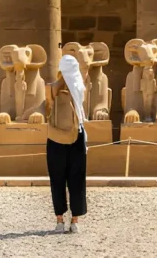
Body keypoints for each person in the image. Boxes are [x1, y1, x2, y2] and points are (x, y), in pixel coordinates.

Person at [45, 54, 88, 234]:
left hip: (55, 137)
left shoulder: (52, 88)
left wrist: (59, 81)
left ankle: (59, 221)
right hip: (75, 135)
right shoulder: (79, 86)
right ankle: (75, 221)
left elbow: (48, 106)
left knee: (57, 180)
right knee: (76, 180)